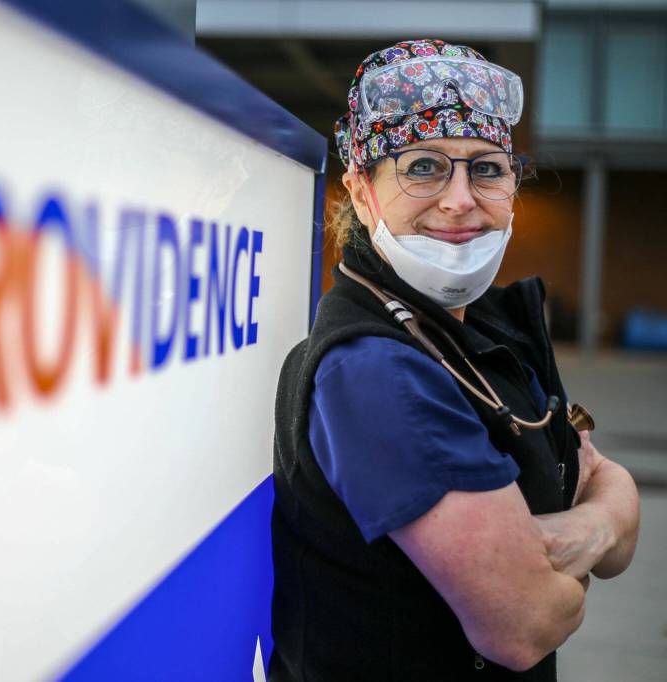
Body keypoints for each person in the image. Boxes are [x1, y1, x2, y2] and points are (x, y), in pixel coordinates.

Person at [270, 39, 640, 681]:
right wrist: (583, 538)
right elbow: (526, 625)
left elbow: (617, 508)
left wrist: (582, 531)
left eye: (487, 169)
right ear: (361, 189)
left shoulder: (491, 330)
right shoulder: (376, 373)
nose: (461, 198)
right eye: (423, 166)